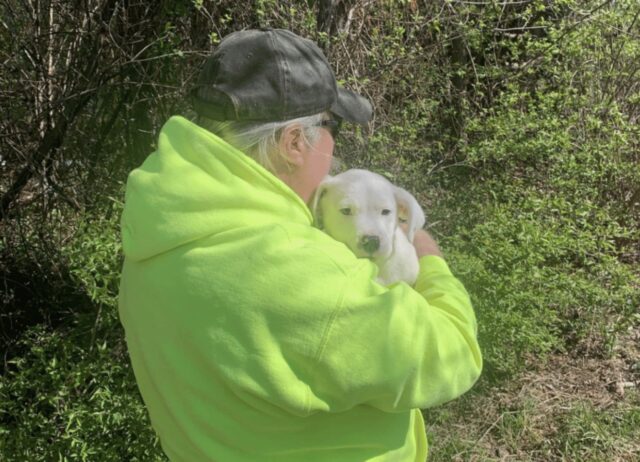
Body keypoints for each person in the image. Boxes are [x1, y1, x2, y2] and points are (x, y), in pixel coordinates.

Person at [118, 28, 482, 462]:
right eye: (334, 129)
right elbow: (453, 353)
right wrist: (428, 256)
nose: (334, 149)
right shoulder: (301, 273)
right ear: (294, 142)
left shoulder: (157, 232)